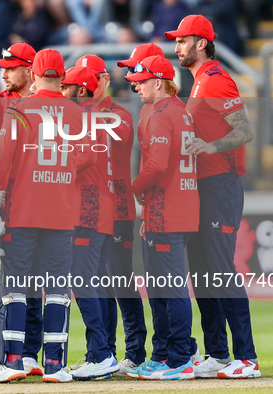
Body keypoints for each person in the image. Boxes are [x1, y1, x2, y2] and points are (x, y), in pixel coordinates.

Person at [166, 14, 260, 378]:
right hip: (204, 188)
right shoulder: (200, 82)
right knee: (203, 273)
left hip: (220, 185)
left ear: (201, 43)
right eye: (175, 41)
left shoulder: (217, 80)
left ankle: (247, 358)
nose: (177, 47)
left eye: (182, 40)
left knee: (220, 271)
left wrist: (209, 146)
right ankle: (218, 353)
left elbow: (245, 130)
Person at [0, 48, 85, 384]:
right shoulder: (76, 114)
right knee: (57, 289)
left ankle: (14, 361)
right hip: (61, 213)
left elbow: (2, 162)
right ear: (61, 76)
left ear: (35, 74)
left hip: (23, 212)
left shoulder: (19, 109)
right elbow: (86, 160)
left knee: (15, 287)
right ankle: (56, 365)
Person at [125, 54, 199, 380]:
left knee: (168, 288)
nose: (136, 87)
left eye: (141, 81)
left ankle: (179, 357)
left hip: (166, 211)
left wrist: (133, 190)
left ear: (158, 81)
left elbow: (156, 166)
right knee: (164, 287)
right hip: (176, 208)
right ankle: (167, 354)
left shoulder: (159, 115)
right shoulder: (182, 112)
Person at [76, 54, 145, 376]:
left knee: (120, 281)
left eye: (91, 77)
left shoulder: (118, 114)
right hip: (91, 208)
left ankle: (135, 351)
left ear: (103, 79)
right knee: (97, 282)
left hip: (118, 207)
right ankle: (104, 351)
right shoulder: (81, 114)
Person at [58, 65, 119, 380]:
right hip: (101, 207)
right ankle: (103, 351)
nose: (62, 91)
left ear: (81, 90)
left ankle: (101, 354)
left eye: (67, 86)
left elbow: (84, 158)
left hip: (88, 208)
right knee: (95, 281)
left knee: (82, 280)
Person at [0, 42, 44, 377]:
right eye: (3, 68)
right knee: (1, 282)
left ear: (29, 69)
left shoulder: (44, 104)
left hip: (35, 205)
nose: (5, 73)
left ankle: (29, 353)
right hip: (8, 204)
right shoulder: (0, 102)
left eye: (11, 68)